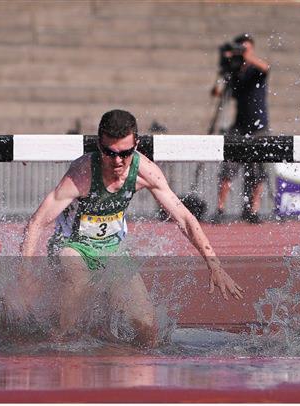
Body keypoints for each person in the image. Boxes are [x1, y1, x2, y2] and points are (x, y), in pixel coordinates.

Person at [18, 109, 243, 347]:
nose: (117, 161)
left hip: (113, 251)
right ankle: (47, 342)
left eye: (125, 154)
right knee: (76, 291)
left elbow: (184, 218)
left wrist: (214, 264)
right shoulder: (81, 174)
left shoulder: (145, 172)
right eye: (109, 153)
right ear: (99, 145)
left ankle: (108, 354)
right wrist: (24, 275)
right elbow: (37, 222)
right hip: (71, 246)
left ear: (136, 144)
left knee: (148, 331)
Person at [211, 33, 271, 224]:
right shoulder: (236, 71)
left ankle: (253, 211)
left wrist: (246, 56)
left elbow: (267, 68)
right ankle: (220, 209)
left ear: (251, 49)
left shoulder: (256, 70)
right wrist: (225, 69)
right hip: (239, 126)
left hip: (259, 127)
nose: (242, 52)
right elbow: (218, 92)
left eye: (245, 48)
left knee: (258, 172)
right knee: (228, 168)